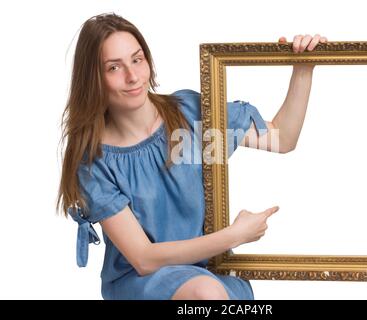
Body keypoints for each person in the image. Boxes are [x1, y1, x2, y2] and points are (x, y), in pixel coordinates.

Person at [56, 12, 327, 300]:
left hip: (212, 269)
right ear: (94, 78)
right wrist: (234, 236)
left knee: (209, 289)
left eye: (137, 59)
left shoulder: (189, 115)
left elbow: (282, 138)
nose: (133, 76)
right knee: (205, 292)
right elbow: (143, 258)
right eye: (114, 67)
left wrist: (303, 68)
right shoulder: (94, 160)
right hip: (143, 281)